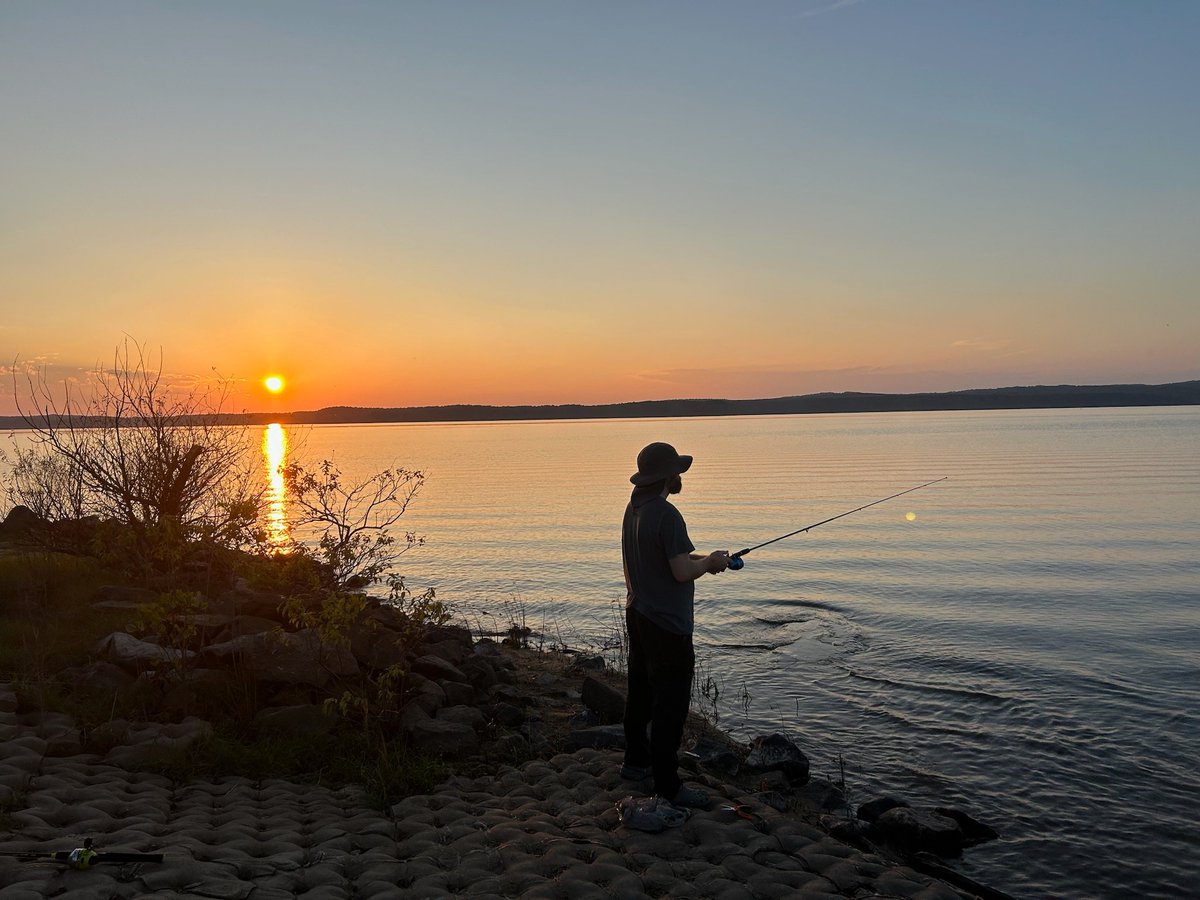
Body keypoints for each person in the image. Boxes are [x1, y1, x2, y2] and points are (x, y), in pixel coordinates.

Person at [621, 441, 729, 809]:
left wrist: (710, 557)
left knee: (640, 693)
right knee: (670, 706)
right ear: (668, 475)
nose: (681, 476)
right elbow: (683, 571)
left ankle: (635, 762)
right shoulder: (667, 514)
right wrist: (709, 565)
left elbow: (674, 558)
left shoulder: (633, 507)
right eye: (678, 471)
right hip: (667, 626)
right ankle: (668, 785)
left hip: (637, 613)